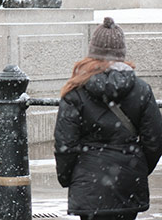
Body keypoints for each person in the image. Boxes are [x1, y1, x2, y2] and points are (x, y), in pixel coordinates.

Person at [54, 17, 162, 220]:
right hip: (128, 181)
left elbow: (65, 145)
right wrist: (135, 168)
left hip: (89, 182)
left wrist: (71, 177)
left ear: (92, 51)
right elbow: (154, 140)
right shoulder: (141, 89)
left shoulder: (75, 92)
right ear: (121, 53)